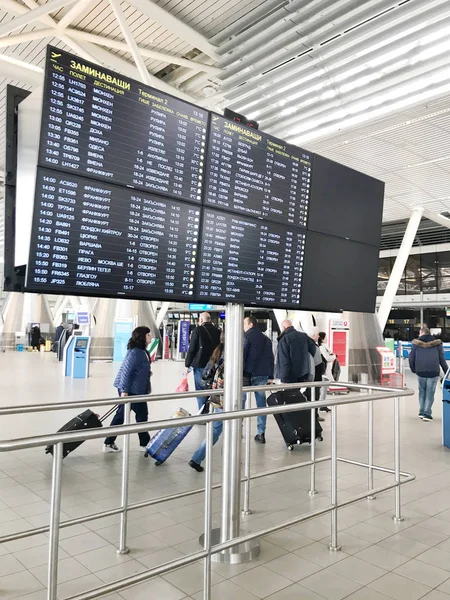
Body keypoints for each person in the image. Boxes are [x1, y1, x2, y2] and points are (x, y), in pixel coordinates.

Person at [104, 326, 152, 452]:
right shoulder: (135, 352)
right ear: (142, 337)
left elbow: (138, 368)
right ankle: (144, 444)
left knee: (138, 415)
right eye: (148, 335)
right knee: (133, 416)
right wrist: (124, 391)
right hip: (130, 390)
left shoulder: (142, 351)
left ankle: (143, 443)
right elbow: (126, 371)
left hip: (137, 389)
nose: (150, 337)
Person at [189, 336, 226, 472]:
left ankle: (197, 458)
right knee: (232, 429)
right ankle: (231, 460)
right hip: (226, 401)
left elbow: (204, 377)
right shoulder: (228, 363)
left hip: (216, 400)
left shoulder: (214, 359)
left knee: (216, 431)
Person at [242, 316, 274, 444]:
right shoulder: (266, 339)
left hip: (246, 374)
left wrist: (240, 372)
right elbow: (271, 358)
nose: (243, 326)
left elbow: (243, 355)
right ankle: (261, 433)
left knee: (241, 403)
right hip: (262, 374)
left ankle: (238, 430)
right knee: (261, 403)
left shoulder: (246, 336)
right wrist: (271, 375)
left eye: (244, 323)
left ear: (251, 324)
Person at [409, 326, 448, 421]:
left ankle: (422, 412)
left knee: (422, 392)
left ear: (421, 333)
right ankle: (427, 413)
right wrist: (446, 371)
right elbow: (441, 359)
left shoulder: (416, 344)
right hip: (433, 371)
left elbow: (411, 358)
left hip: (420, 371)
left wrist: (414, 369)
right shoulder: (437, 344)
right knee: (430, 393)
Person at [185, 312, 221, 412]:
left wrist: (188, 364)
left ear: (201, 320)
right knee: (210, 388)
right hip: (214, 365)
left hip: (200, 365)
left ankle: (202, 414)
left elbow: (192, 349)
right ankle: (210, 410)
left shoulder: (198, 330)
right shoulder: (218, 331)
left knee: (200, 390)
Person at [318, 331, 336, 407]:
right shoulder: (322, 347)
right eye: (326, 337)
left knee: (324, 389)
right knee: (322, 389)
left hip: (325, 370)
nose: (327, 339)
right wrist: (334, 356)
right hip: (324, 371)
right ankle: (321, 405)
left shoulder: (324, 347)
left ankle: (323, 405)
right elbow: (327, 358)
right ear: (322, 339)